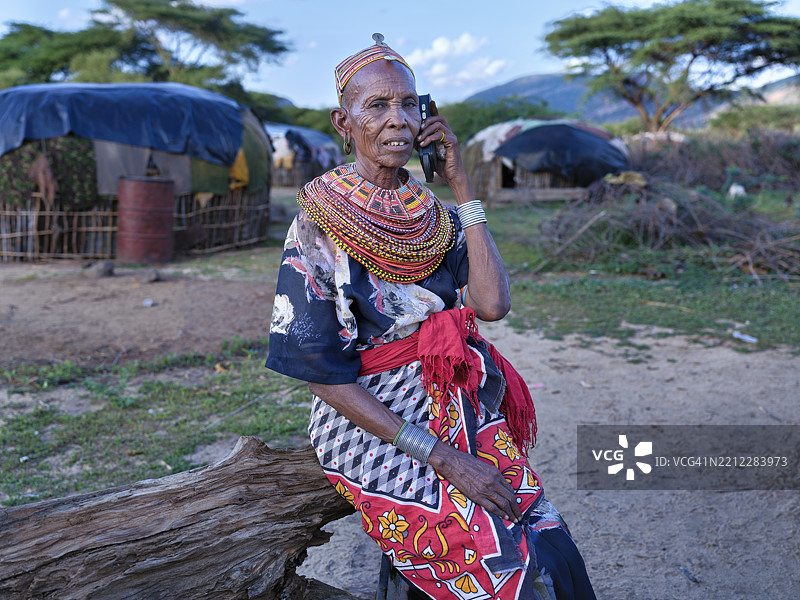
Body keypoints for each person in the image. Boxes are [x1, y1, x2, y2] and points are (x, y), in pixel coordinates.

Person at [266, 34, 596, 600]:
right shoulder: (317, 226)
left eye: (409, 105)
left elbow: (491, 305)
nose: (397, 119)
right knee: (498, 567)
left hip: (451, 396)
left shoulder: (437, 217)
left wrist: (461, 182)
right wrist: (443, 457)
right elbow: (321, 372)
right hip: (371, 423)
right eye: (376, 106)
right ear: (343, 122)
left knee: (546, 537)